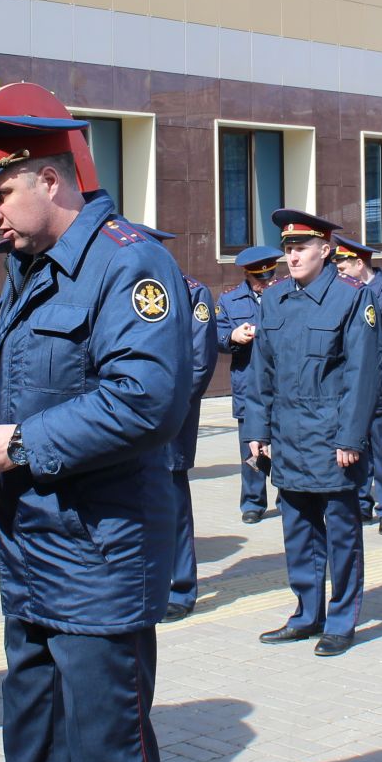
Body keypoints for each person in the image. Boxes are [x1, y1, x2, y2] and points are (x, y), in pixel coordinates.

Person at [0, 112, 190, 762]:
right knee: (36, 756)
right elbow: (9, 376)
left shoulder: (127, 262)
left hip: (99, 558)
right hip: (32, 556)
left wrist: (14, 444)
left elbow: (147, 401)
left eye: (0, 190)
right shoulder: (32, 267)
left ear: (51, 180)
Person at [243, 210, 378, 658]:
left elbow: (361, 377)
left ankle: (341, 620)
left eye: (302, 247)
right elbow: (262, 374)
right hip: (287, 436)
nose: (293, 255)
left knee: (341, 534)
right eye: (288, 248)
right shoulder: (275, 300)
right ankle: (306, 613)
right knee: (297, 531)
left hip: (332, 438)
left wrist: (350, 439)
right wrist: (258, 432)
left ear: (326, 250)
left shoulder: (351, 298)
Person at [138, 225, 219, 621]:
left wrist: (164, 409)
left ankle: (181, 588)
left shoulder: (191, 291)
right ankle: (146, 584)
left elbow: (200, 363)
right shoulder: (126, 292)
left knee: (172, 502)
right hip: (129, 420)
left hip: (170, 418)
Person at [333, 236, 382, 535]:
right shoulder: (345, 293)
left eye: (343, 265)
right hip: (354, 390)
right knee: (358, 448)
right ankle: (362, 503)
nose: (339, 271)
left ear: (359, 263)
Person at [218, 245, 282, 524]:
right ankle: (253, 502)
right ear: (246, 274)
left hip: (283, 383)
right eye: (258, 279)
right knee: (251, 447)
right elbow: (216, 335)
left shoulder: (287, 295)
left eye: (268, 277)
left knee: (284, 443)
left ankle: (288, 496)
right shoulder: (230, 300)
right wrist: (233, 335)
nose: (263, 284)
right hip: (248, 383)